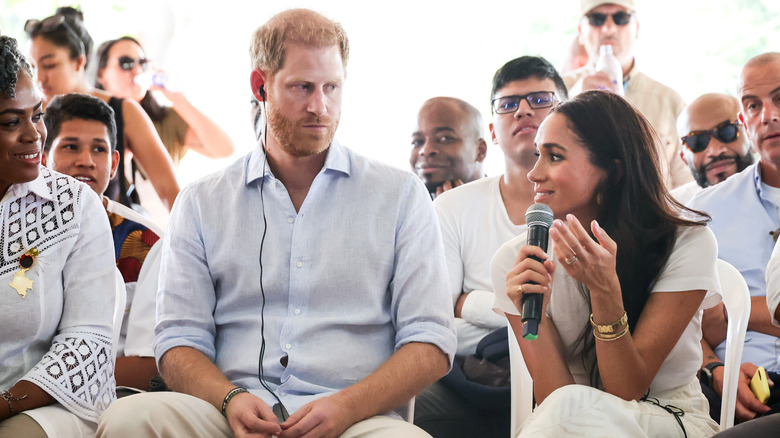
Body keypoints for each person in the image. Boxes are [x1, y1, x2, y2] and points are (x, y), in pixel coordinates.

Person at [96, 8, 456, 438]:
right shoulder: (201, 202)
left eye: (332, 87)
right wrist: (229, 399)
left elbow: (432, 341)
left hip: (356, 419)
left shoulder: (400, 195)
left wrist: (347, 406)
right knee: (128, 419)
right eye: (302, 87)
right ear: (260, 86)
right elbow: (177, 342)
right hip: (227, 413)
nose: (320, 106)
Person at [491, 90, 720, 436]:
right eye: (538, 154)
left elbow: (627, 390)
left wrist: (603, 290)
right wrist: (533, 316)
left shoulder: (685, 243)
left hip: (668, 416)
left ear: (613, 171)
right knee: (564, 412)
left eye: (554, 157)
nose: (533, 173)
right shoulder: (516, 260)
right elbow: (555, 399)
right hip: (569, 422)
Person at [413, 56, 567, 438]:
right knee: (407, 410)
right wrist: (520, 318)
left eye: (540, 99)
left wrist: (468, 303)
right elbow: (438, 323)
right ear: (493, 133)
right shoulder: (451, 207)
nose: (523, 110)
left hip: (569, 376)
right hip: (474, 381)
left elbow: (572, 324)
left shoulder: (586, 205)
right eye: (508, 104)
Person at [0, 35, 116, 437]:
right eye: (11, 122)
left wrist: (5, 403)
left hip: (46, 404)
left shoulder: (74, 206)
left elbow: (87, 343)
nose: (34, 134)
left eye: (37, 115)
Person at [42, 93, 163, 394]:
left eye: (99, 149)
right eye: (71, 146)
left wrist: (45, 388)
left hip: (109, 397)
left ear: (113, 164)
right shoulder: (16, 227)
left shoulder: (145, 243)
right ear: (43, 156)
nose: (86, 161)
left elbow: (148, 364)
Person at [689, 52, 780, 429]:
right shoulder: (704, 210)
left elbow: (713, 317)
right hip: (732, 388)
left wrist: (731, 312)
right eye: (753, 105)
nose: (768, 115)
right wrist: (714, 368)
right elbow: (678, 320)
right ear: (744, 121)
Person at [25, 7, 179, 212]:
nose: (39, 78)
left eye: (50, 65)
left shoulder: (124, 111)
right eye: (32, 66)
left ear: (79, 61)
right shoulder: (28, 117)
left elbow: (170, 192)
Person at [563, 0, 691, 189]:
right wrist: (569, 103)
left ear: (636, 28)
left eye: (620, 18)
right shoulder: (557, 92)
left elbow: (687, 188)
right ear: (581, 32)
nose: (608, 28)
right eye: (597, 19)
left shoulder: (668, 101)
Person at [95, 36, 234, 168]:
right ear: (101, 74)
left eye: (143, 63)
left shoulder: (166, 120)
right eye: (126, 63)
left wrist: (179, 100)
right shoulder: (92, 125)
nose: (137, 70)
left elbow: (224, 149)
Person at [671, 93, 755, 204]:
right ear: (684, 158)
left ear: (753, 137)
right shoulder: (674, 209)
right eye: (697, 141)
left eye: (727, 132)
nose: (715, 151)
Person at [410, 97, 486, 197]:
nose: (426, 150)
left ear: (480, 150)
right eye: (417, 141)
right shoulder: (402, 204)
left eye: (444, 138)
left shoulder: (503, 202)